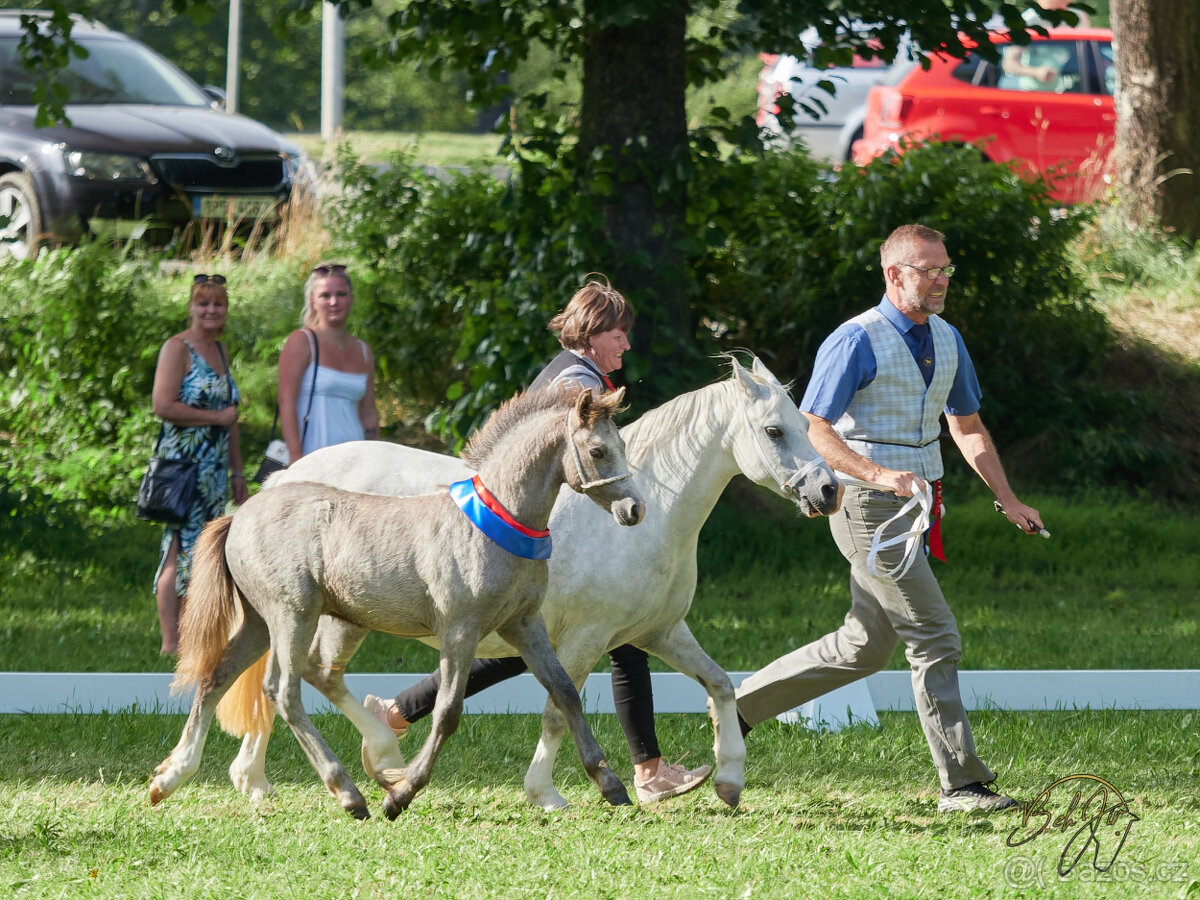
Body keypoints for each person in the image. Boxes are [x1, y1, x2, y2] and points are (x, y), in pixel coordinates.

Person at [365, 276, 714, 804]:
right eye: (618, 333)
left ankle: (396, 712)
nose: (625, 344)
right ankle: (645, 770)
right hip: (552, 541)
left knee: (554, 644)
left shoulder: (574, 374)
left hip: (550, 535)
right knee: (560, 641)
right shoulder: (576, 386)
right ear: (593, 333)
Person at [735, 224, 1045, 813]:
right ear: (893, 274)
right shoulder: (856, 340)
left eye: (946, 269)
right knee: (935, 635)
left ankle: (739, 704)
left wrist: (1007, 497)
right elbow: (813, 429)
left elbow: (968, 426)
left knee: (864, 645)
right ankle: (961, 784)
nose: (941, 280)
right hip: (865, 505)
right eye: (928, 270)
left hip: (917, 509)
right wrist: (878, 476)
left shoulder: (949, 338)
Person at [151, 274, 249, 655]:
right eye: (203, 303)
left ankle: (197, 635)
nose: (211, 310)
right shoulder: (178, 348)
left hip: (214, 470)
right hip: (182, 468)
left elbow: (232, 419)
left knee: (205, 551)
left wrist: (237, 472)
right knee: (177, 547)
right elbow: (163, 405)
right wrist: (215, 419)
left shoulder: (221, 352)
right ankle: (170, 642)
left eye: (218, 304)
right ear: (191, 307)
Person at [277, 262, 379, 463]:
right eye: (325, 295)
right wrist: (296, 457)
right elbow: (286, 402)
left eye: (341, 294)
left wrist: (373, 459)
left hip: (355, 461)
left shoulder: (364, 350)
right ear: (313, 300)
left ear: (351, 299)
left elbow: (368, 413)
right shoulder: (302, 341)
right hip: (313, 459)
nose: (334, 302)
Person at [1002, 1, 1092, 86]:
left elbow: (1090, 51)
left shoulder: (1078, 17)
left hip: (1072, 90)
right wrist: (1036, 72)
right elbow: (1009, 64)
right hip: (1035, 93)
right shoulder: (1028, 20)